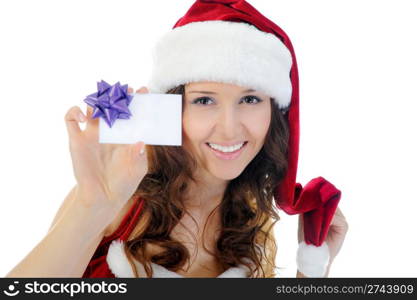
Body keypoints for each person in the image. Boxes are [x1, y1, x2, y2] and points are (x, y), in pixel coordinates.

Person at [6, 0, 348, 278]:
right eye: (204, 100)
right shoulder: (123, 196)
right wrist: (91, 208)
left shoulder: (252, 220)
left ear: (275, 113)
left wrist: (313, 268)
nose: (229, 129)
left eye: (250, 99)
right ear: (172, 107)